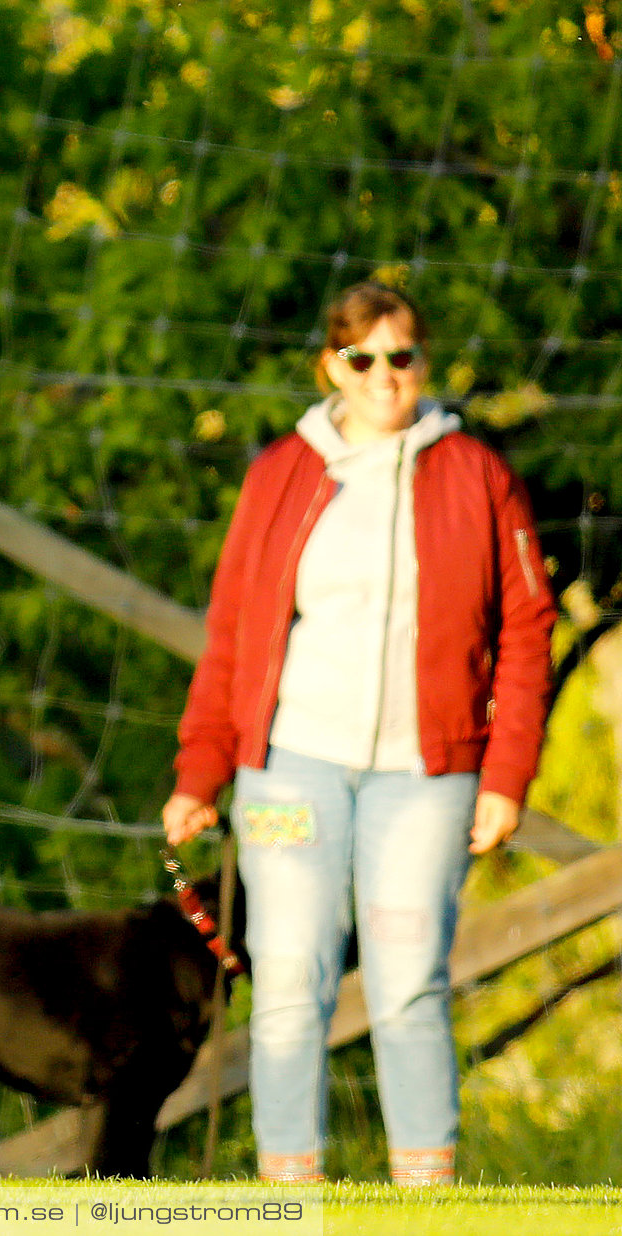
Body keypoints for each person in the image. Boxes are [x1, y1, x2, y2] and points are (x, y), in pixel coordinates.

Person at [160, 282, 555, 1186]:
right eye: (363, 358)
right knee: (290, 980)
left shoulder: (479, 476)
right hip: (290, 774)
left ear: (424, 362)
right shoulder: (280, 474)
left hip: (427, 777)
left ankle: (427, 1192)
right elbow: (233, 635)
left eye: (402, 357)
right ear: (330, 365)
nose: (384, 377)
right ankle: (287, 1188)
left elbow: (528, 633)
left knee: (409, 977)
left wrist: (505, 778)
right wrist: (200, 773)